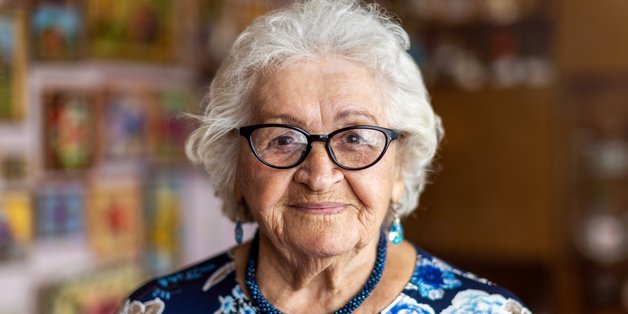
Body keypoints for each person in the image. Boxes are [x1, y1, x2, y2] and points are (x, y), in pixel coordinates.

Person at [118, 0, 531, 313]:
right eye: (283, 139)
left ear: (400, 168)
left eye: (354, 137)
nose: (319, 175)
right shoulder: (159, 307)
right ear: (236, 167)